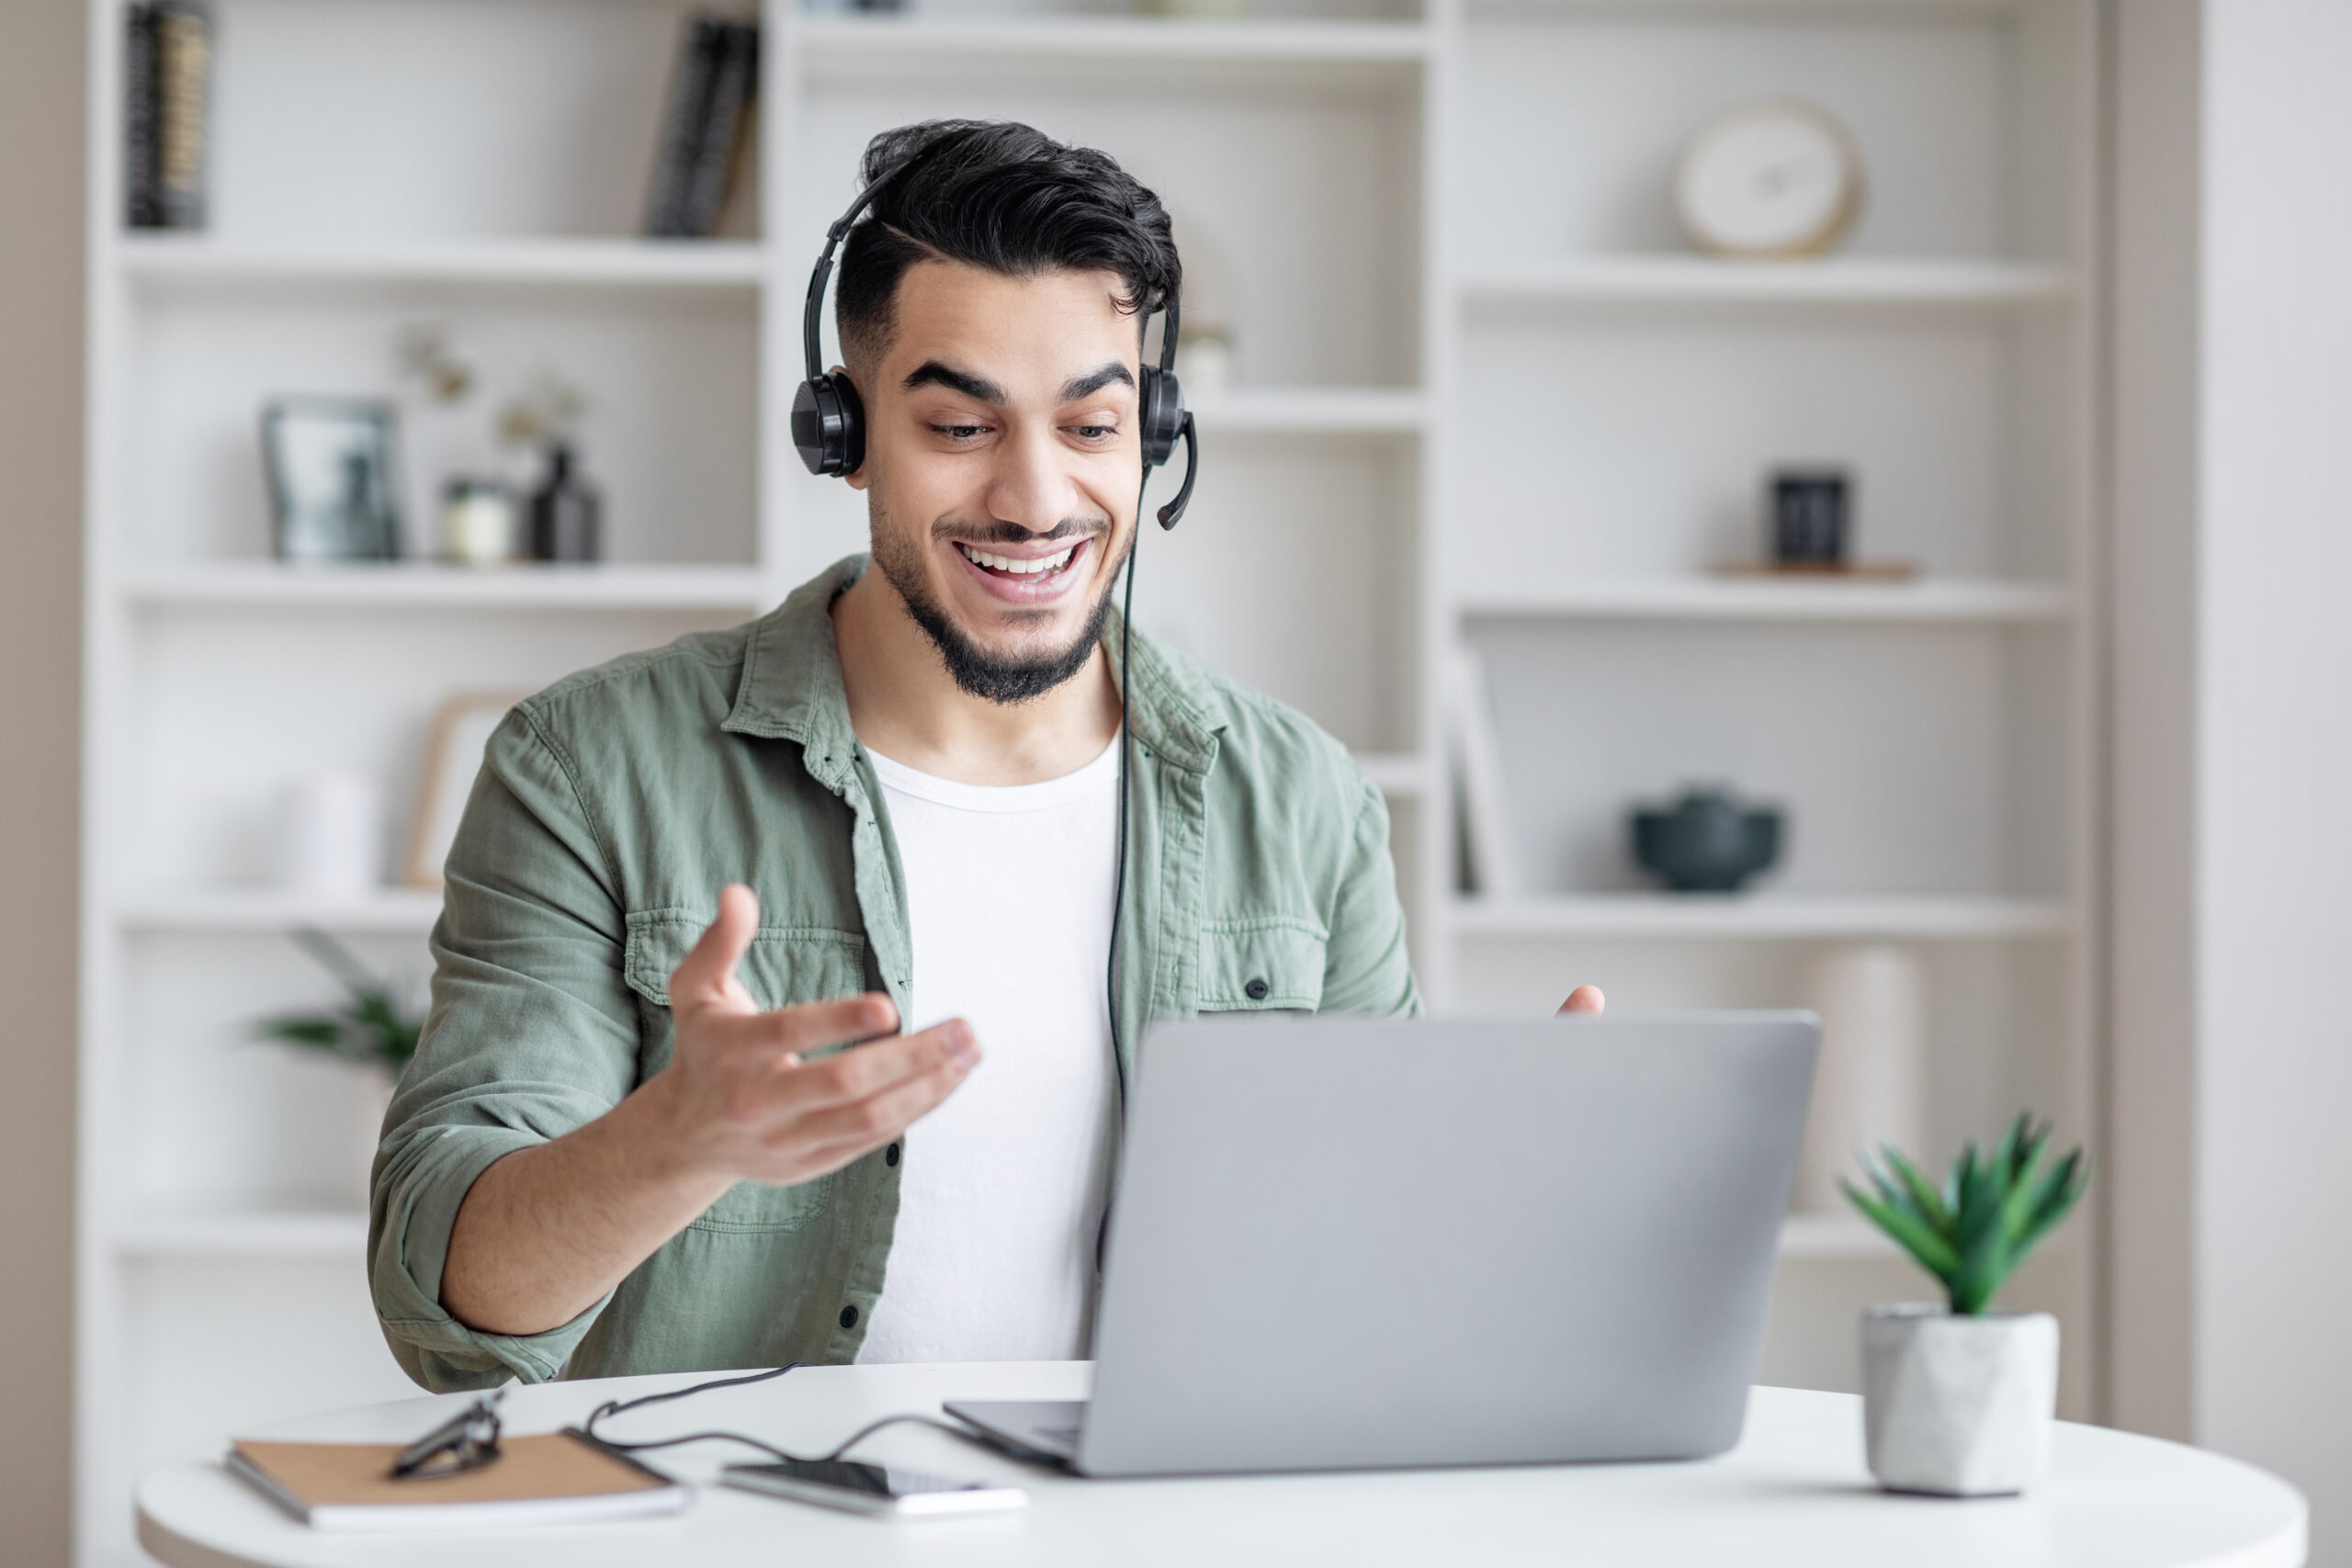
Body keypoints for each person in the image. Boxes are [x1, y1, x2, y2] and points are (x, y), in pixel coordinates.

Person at [368, 118, 1600, 1392]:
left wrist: (1495, 1197)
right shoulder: (588, 765)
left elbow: (1359, 1290)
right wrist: (680, 1142)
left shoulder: (1297, 799)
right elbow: (451, 1316)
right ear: (841, 437)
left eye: (1091, 426)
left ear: (1156, 434)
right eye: (962, 427)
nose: (1036, 499)